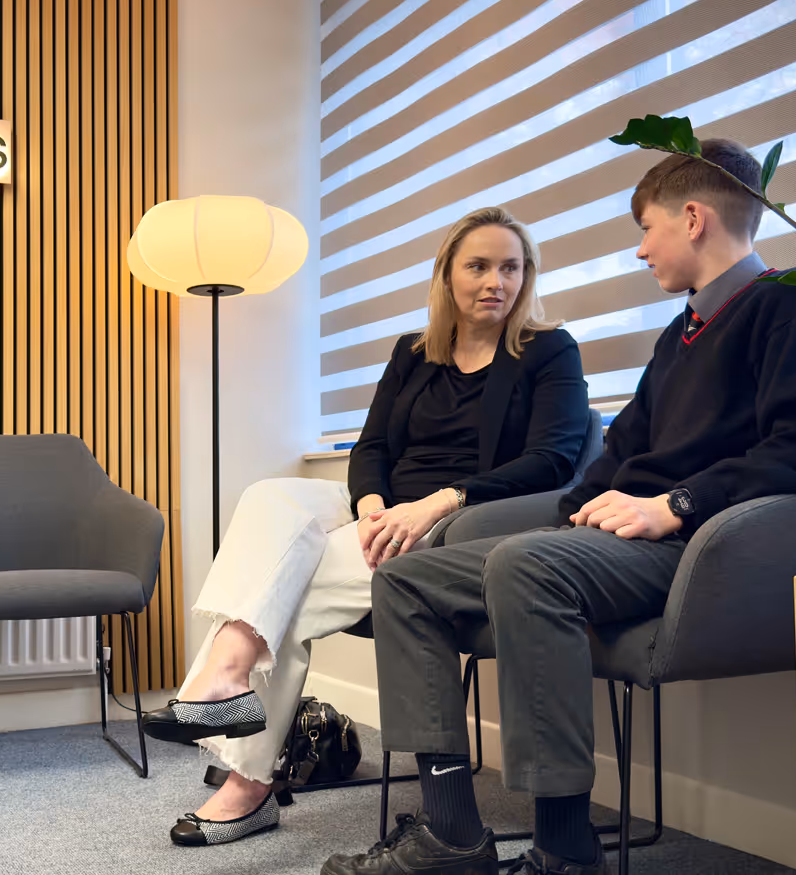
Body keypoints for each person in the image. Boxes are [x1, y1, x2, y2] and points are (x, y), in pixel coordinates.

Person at [321, 139, 796, 875]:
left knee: (526, 567)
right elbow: (617, 451)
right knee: (407, 580)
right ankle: (451, 834)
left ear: (693, 218)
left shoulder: (793, 307)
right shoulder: (682, 331)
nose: (642, 250)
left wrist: (675, 503)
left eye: (647, 228)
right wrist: (564, 516)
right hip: (621, 540)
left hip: (697, 545)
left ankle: (566, 851)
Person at [140, 207, 592, 847]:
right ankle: (228, 679)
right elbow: (371, 445)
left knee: (282, 595)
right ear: (446, 274)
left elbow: (555, 460)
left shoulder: (548, 350)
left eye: (511, 267)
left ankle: (245, 773)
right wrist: (370, 502)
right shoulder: (413, 352)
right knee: (274, 496)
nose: (497, 281)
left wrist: (439, 501)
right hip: (385, 511)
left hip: (463, 521)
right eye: (479, 266)